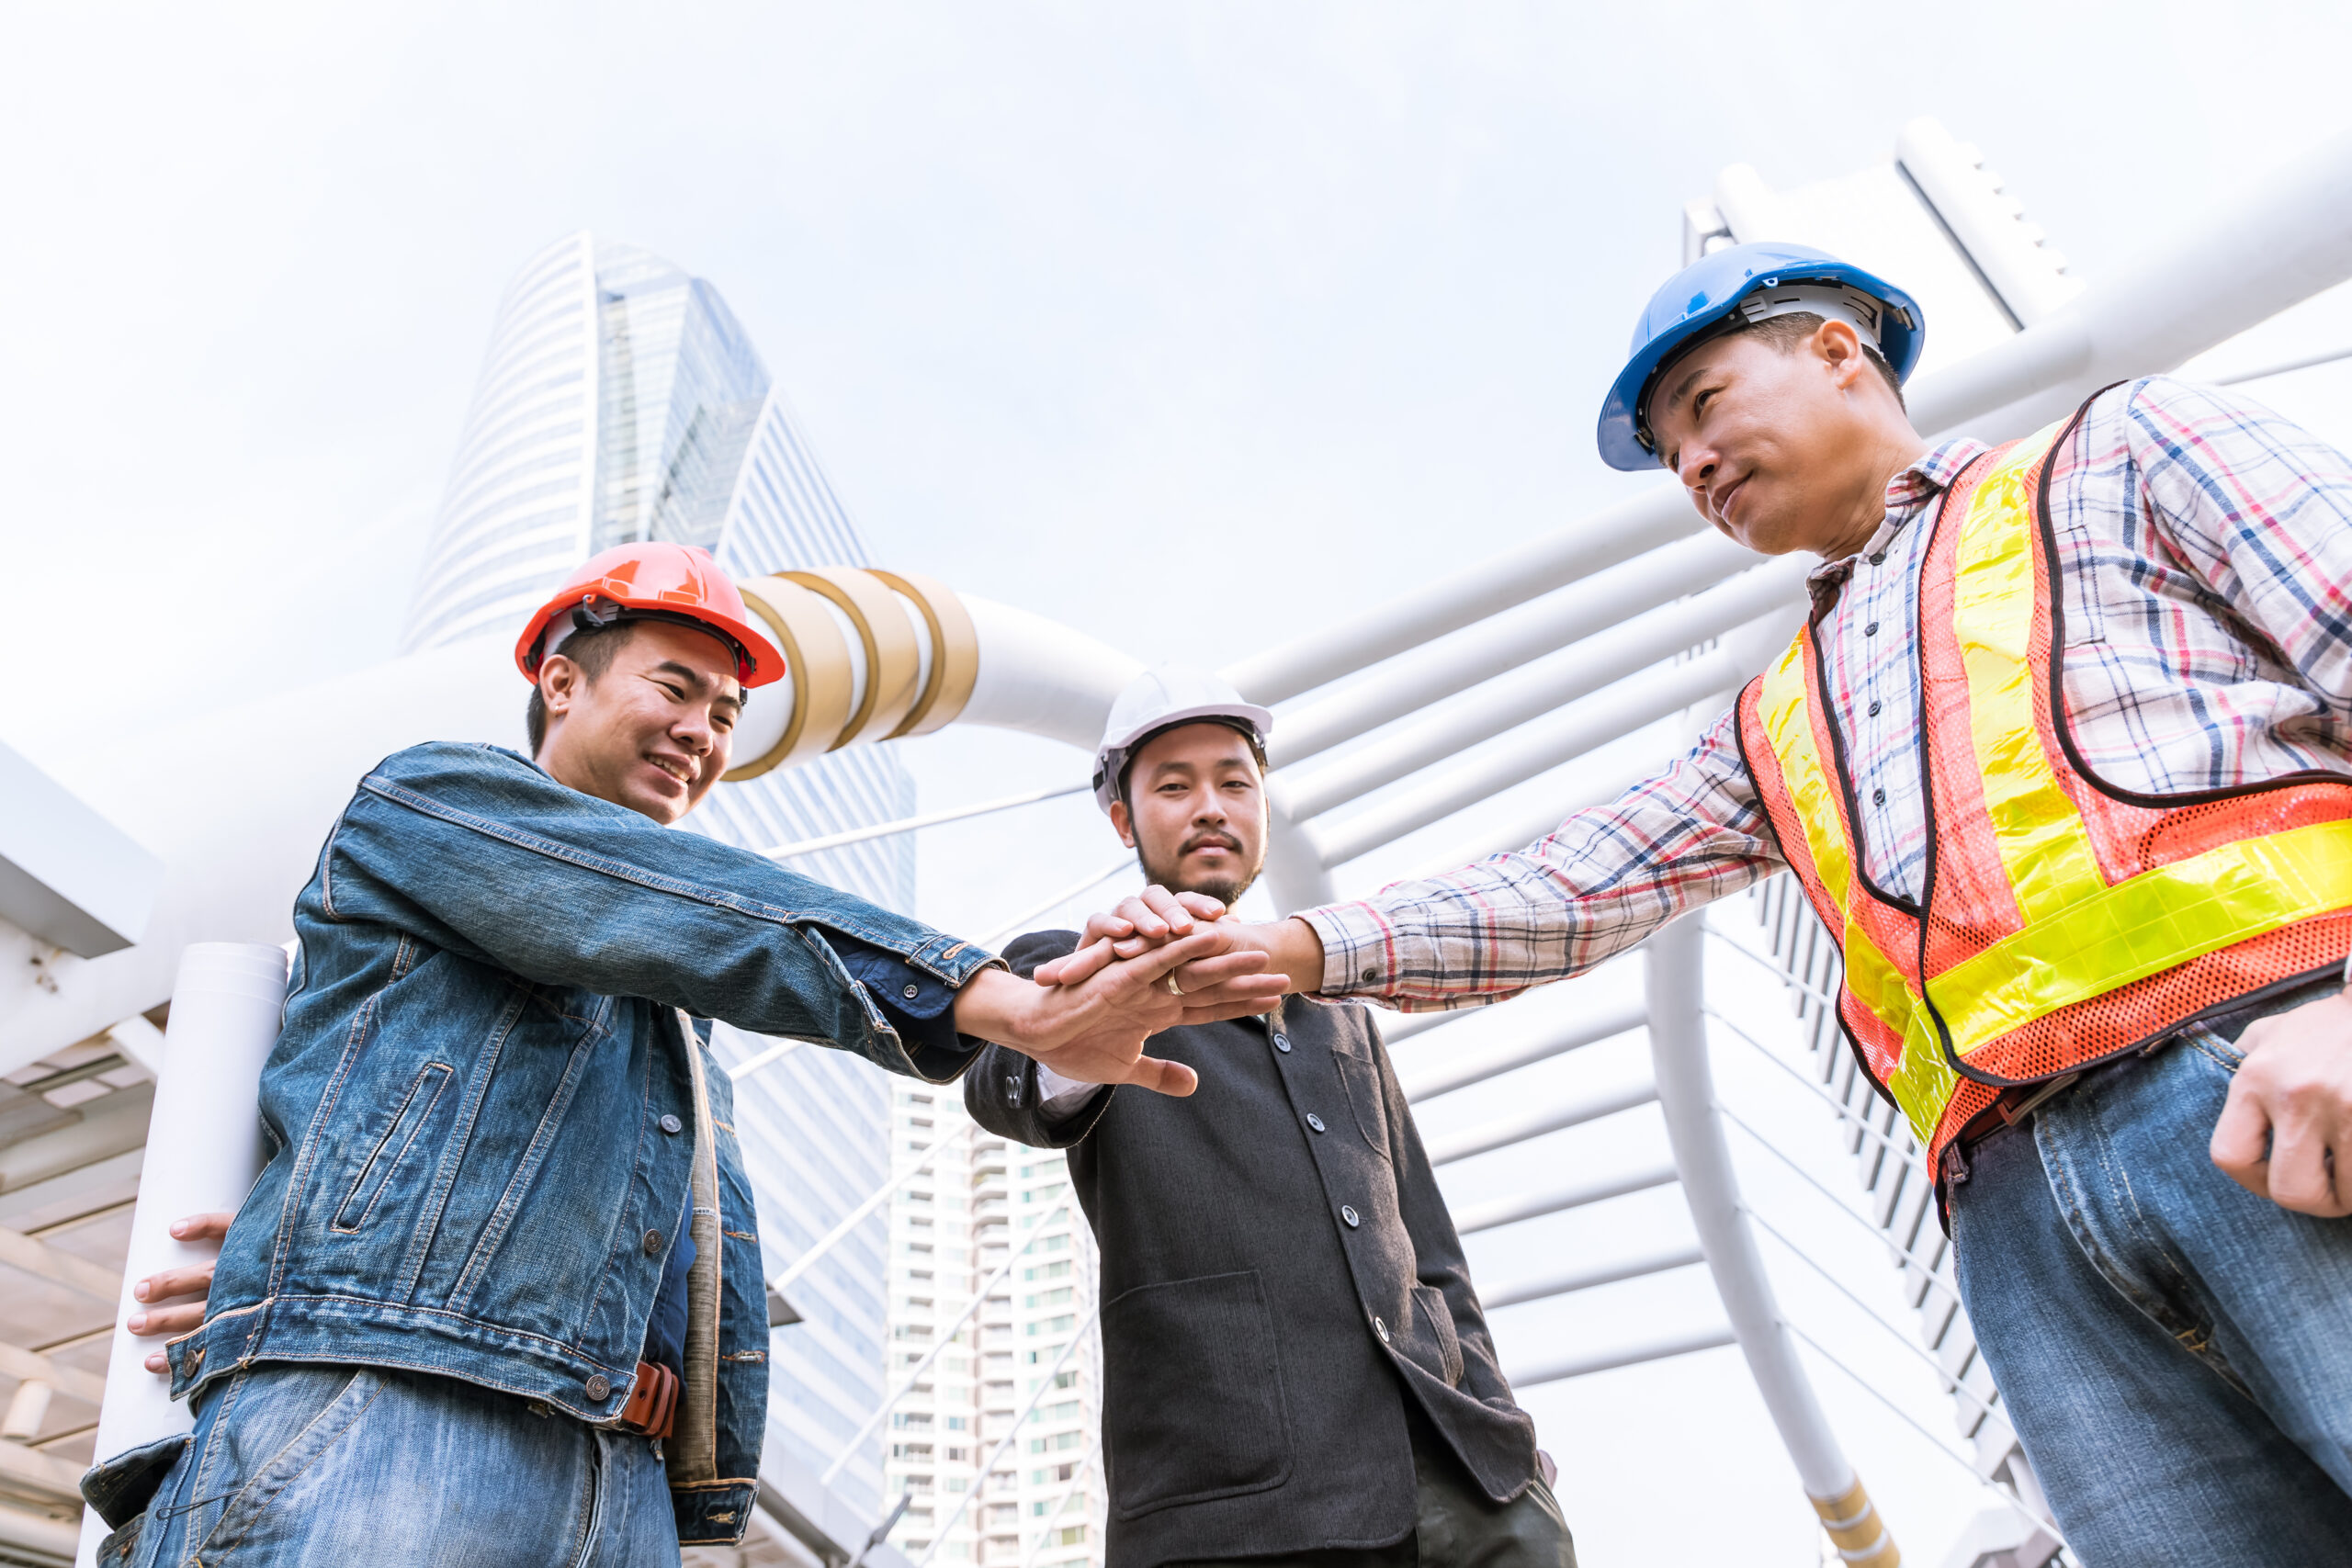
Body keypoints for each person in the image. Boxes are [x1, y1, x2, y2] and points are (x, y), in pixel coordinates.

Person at [1057, 245, 2352, 1566]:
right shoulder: (1771, 719)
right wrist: (1289, 946)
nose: (1692, 465)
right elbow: (1569, 886)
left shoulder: (2119, 454)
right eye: (1670, 447)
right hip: (2021, 1234)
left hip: (2271, 1067)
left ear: (1841, 350)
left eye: (1706, 405)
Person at [87, 542, 1283, 1568]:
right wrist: (995, 998)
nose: (705, 732)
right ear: (559, 678)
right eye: (678, 684)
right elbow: (645, 899)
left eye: (725, 713)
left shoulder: (676, 1004)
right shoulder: (428, 801)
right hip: (397, 1414)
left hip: (624, 1480)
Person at [967, 668, 1573, 1568]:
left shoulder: (1339, 1007)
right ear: (1123, 822)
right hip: (1238, 1506)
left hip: (1474, 1489)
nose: (1209, 804)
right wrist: (1085, 1026)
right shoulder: (1073, 964)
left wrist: (1503, 1427)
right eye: (1172, 785)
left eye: (1233, 781)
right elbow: (1004, 1084)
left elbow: (1431, 1254)